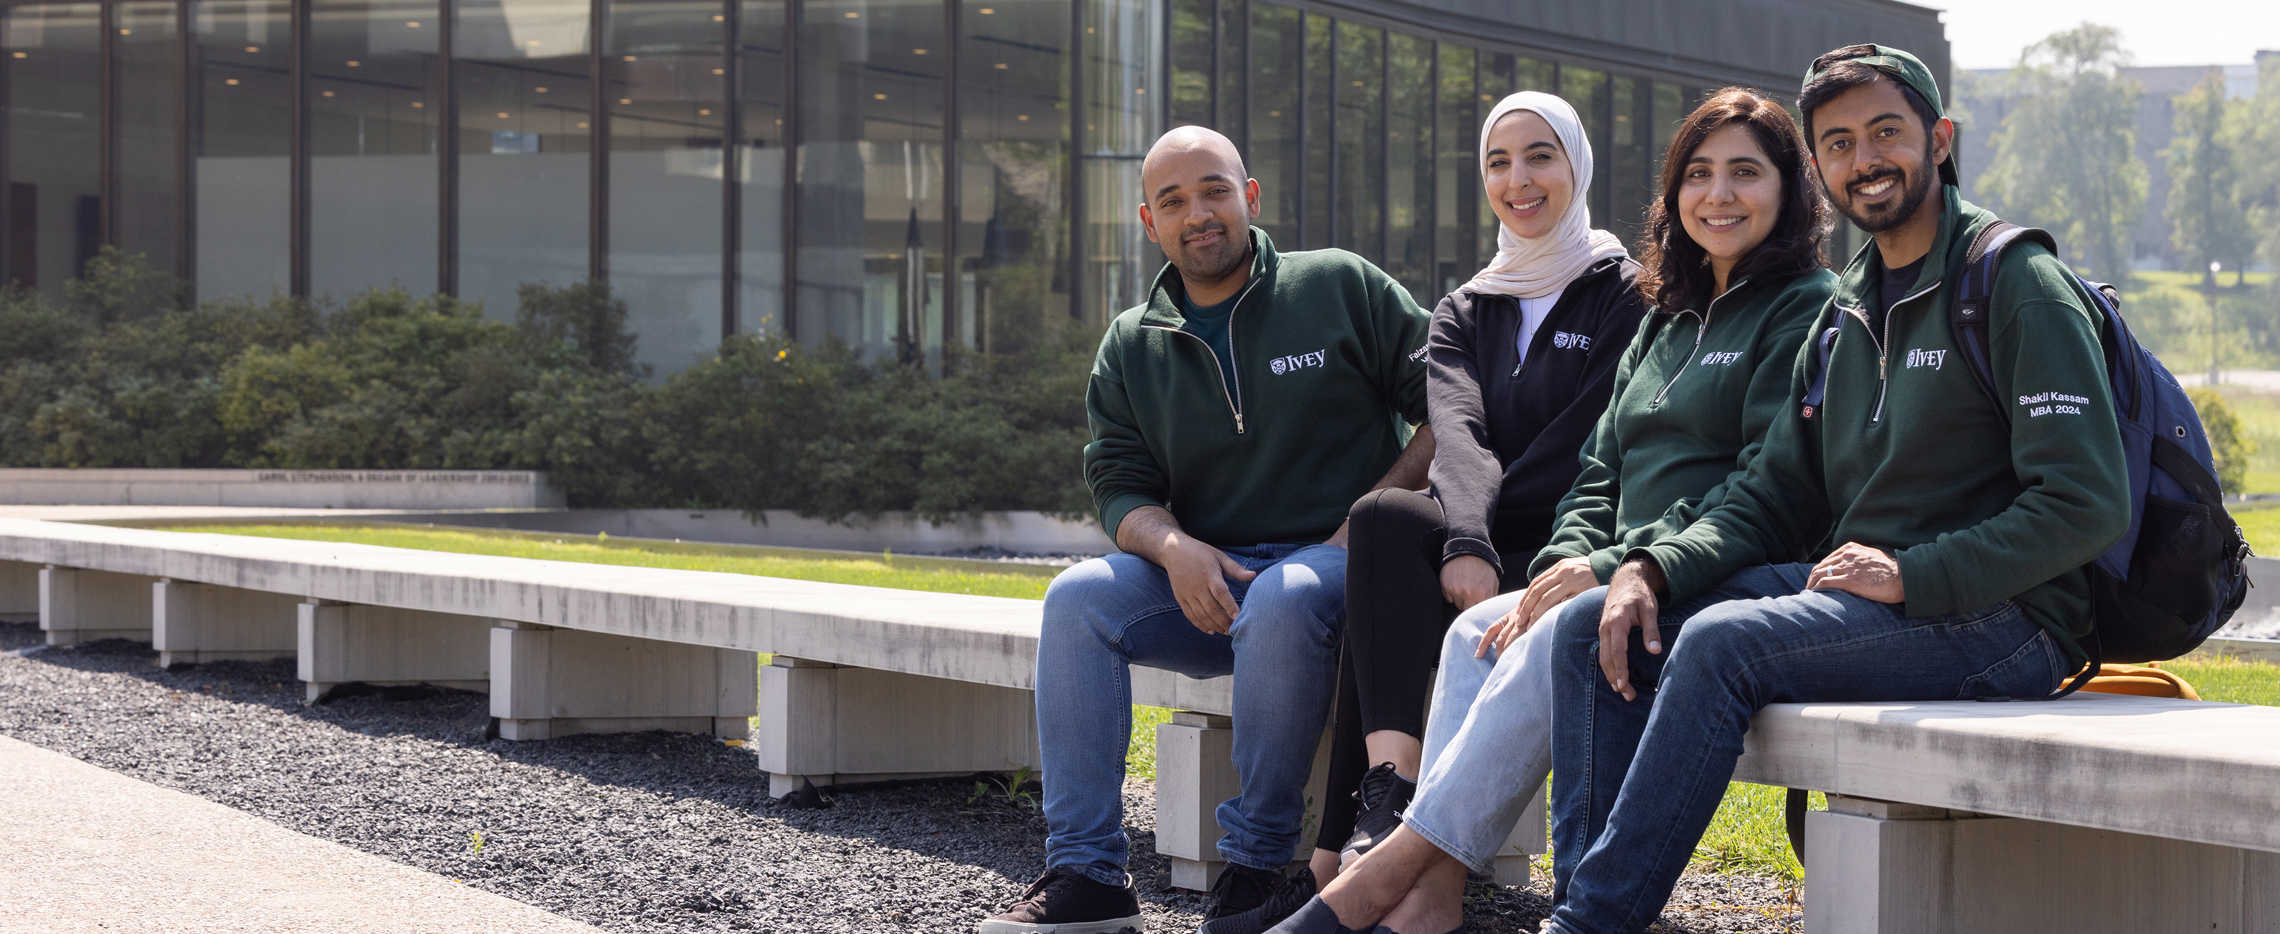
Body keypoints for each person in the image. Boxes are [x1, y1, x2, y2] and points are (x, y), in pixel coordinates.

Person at [1536, 45, 2130, 934]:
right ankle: (1588, 901)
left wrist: (1915, 574)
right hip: (1866, 598)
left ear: (1940, 140)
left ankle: (1588, 924)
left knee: (1723, 643)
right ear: (1819, 167)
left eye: (1886, 132)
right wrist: (1651, 568)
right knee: (1598, 624)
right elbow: (1771, 493)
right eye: (1840, 143)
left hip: (2007, 620)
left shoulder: (2013, 283)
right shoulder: (1845, 309)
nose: (1866, 160)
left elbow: (2086, 502)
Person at [1267, 88, 1835, 934]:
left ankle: (1374, 879)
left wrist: (1602, 567)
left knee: (1555, 632)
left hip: (1710, 570)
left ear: (1790, 189)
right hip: (1602, 563)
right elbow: (1597, 469)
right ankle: (1427, 896)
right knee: (1469, 627)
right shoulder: (1670, 316)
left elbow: (1764, 491)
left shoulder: (1799, 308)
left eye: (1745, 173)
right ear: (1673, 194)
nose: (1719, 195)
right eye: (1700, 174)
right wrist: (1560, 558)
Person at [979, 125, 1437, 934]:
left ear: (1250, 198)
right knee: (1077, 598)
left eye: (1215, 190)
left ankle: (1258, 869)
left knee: (1288, 596)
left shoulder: (1338, 285)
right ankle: (1087, 875)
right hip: (1211, 586)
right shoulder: (1131, 343)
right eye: (1174, 200)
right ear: (1149, 223)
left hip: (1336, 575)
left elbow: (1449, 407)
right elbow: (1119, 485)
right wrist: (1173, 548)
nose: (1199, 213)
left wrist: (1364, 528)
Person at [1295, 91, 1645, 917]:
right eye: (1499, 161)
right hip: (1480, 546)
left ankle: (1336, 851)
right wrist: (1467, 539)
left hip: (1572, 548)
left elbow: (1583, 443)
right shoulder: (1465, 307)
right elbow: (1457, 436)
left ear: (1577, 166)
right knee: (1383, 520)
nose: (1518, 180)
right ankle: (1387, 796)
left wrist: (1471, 540)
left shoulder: (1625, 294)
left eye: (1539, 157)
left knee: (1389, 588)